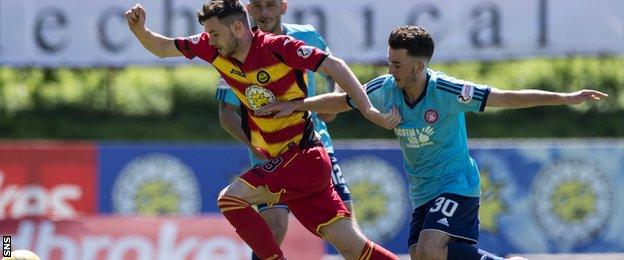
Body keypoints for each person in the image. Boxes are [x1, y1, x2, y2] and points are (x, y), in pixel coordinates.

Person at [257, 25, 608, 260]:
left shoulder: (447, 92)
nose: (390, 68)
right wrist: (296, 105)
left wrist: (566, 96)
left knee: (428, 247)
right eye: (389, 61)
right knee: (424, 256)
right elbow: (345, 101)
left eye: (397, 63)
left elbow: (507, 97)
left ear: (419, 66)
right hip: (422, 190)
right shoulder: (385, 89)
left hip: (456, 184)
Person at [125, 1, 400, 259]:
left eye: (214, 33)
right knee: (355, 249)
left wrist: (369, 110)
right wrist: (141, 31)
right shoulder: (213, 48)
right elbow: (163, 48)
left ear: (237, 27)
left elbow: (335, 66)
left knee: (230, 199)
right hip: (286, 164)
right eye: (207, 33)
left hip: (304, 158)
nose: (210, 39)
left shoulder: (278, 46)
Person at [214, 1, 356, 259]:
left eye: (270, 5)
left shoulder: (307, 35)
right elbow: (226, 112)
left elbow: (334, 68)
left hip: (312, 146)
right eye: (258, 6)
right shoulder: (237, 48)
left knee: (346, 223)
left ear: (283, 6)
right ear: (248, 9)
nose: (264, 12)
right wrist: (260, 145)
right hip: (270, 157)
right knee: (274, 227)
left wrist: (334, 96)